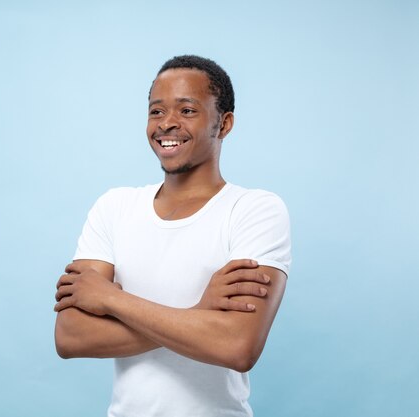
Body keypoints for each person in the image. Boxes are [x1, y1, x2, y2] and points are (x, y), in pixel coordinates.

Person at [54, 55, 291, 417]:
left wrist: (110, 300)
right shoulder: (114, 206)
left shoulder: (254, 210)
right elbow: (70, 336)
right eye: (156, 111)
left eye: (187, 110)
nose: (167, 124)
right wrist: (199, 314)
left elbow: (238, 347)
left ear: (224, 124)